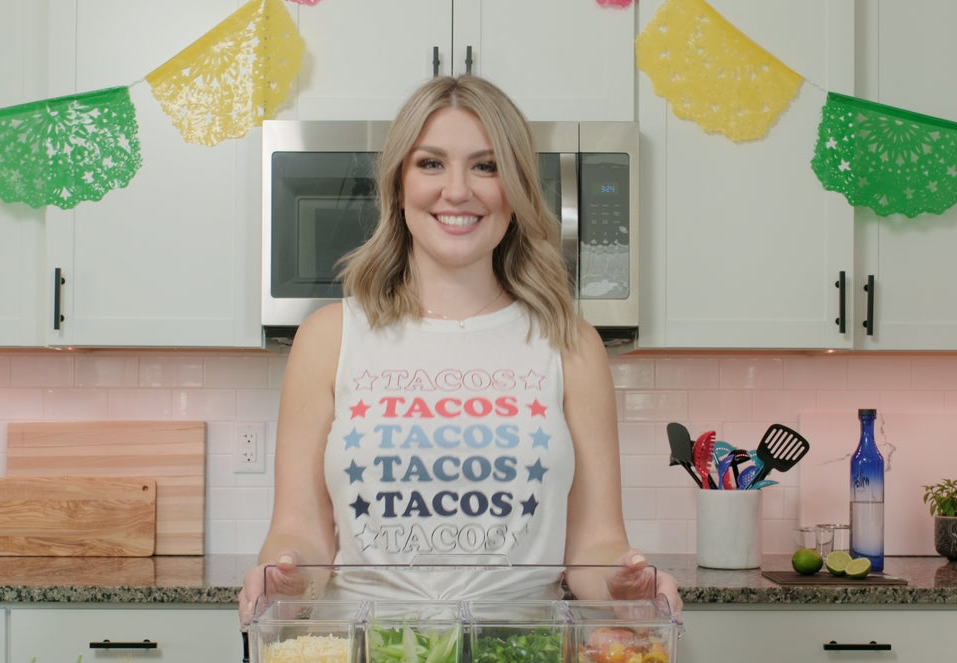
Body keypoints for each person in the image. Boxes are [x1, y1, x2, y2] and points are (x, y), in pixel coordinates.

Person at [238, 74, 680, 624]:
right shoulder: (329, 337)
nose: (457, 190)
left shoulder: (569, 343)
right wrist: (283, 573)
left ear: (515, 191)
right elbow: (299, 530)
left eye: (486, 165)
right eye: (430, 163)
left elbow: (594, 545)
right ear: (399, 187)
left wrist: (623, 582)